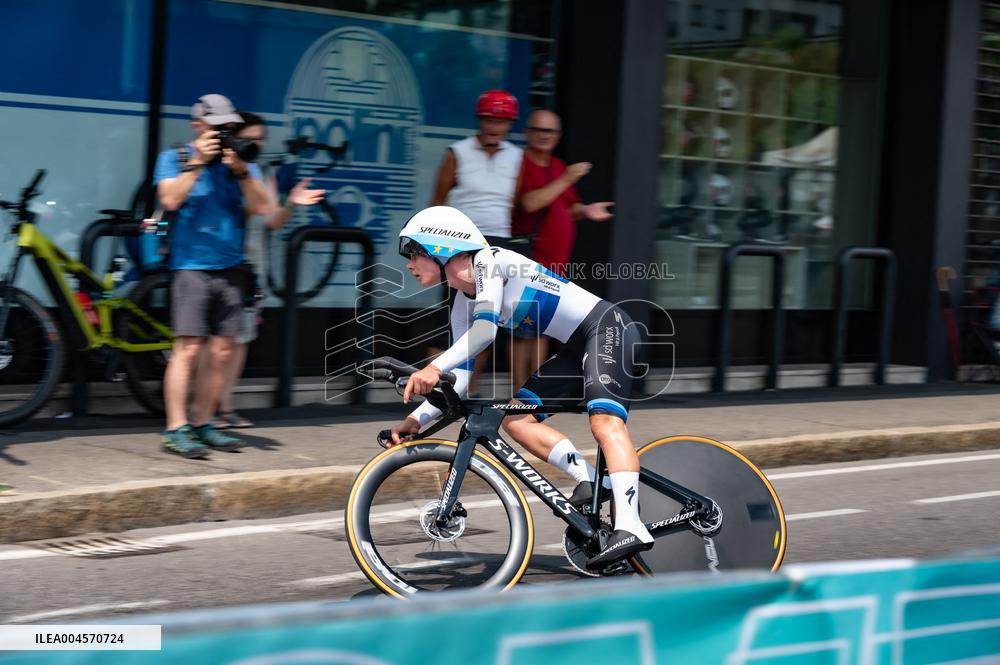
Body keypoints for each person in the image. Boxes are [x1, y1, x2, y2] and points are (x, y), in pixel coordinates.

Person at [389, 206, 653, 570]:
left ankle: (631, 525)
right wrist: (415, 420)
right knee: (517, 420)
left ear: (441, 247)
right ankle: (590, 479)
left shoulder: (490, 261)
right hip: (575, 349)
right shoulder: (462, 302)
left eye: (414, 253)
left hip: (607, 328)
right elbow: (461, 377)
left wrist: (433, 367)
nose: (409, 264)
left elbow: (485, 332)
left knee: (604, 422)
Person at [154, 93, 270, 458]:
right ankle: (176, 428)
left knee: (221, 351)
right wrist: (197, 164)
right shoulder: (175, 157)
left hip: (232, 267)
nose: (224, 132)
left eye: (229, 125)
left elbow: (262, 208)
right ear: (197, 125)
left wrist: (241, 172)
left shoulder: (240, 161)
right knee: (187, 349)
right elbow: (170, 200)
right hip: (191, 267)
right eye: (217, 126)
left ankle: (204, 422)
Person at [196, 111, 326, 429]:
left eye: (261, 139)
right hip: (220, 265)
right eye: (250, 138)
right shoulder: (218, 170)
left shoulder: (260, 172)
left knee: (240, 341)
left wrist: (292, 202)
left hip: (251, 269)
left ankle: (224, 408)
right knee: (213, 343)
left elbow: (271, 220)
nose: (257, 144)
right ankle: (202, 412)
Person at [511, 109, 614, 391]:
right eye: (539, 130)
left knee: (542, 329)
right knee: (522, 331)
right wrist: (567, 178)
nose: (545, 136)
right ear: (527, 132)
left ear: (558, 135)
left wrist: (587, 210)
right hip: (529, 260)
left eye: (551, 131)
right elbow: (529, 203)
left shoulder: (557, 166)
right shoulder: (520, 163)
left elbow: (568, 206)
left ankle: (532, 393)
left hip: (555, 265)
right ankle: (518, 393)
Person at [428, 90, 524, 394]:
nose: (494, 126)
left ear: (510, 124)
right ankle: (437, 391)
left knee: (486, 318)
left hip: (498, 245)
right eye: (489, 119)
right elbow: (437, 202)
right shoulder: (457, 153)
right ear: (479, 120)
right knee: (450, 319)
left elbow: (518, 205)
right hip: (460, 244)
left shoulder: (517, 157)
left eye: (502, 121)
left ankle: (465, 392)